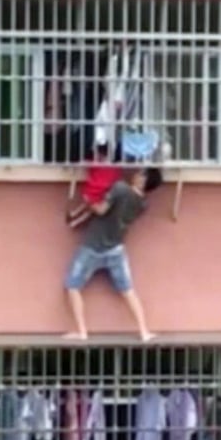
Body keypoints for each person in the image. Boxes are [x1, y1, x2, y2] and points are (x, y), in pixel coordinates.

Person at [62, 166, 162, 342]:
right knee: (128, 289)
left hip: (93, 246)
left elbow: (101, 210)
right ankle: (144, 331)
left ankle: (82, 332)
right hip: (116, 249)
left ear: (143, 179)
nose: (136, 173)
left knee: (73, 286)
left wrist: (88, 200)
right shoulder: (143, 204)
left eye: (141, 173)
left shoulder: (120, 188)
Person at [65, 135, 121, 229]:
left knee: (88, 207)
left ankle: (74, 217)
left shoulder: (96, 162)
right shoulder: (114, 167)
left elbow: (83, 163)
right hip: (102, 193)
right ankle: (75, 219)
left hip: (92, 191)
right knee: (90, 210)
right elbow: (116, 179)